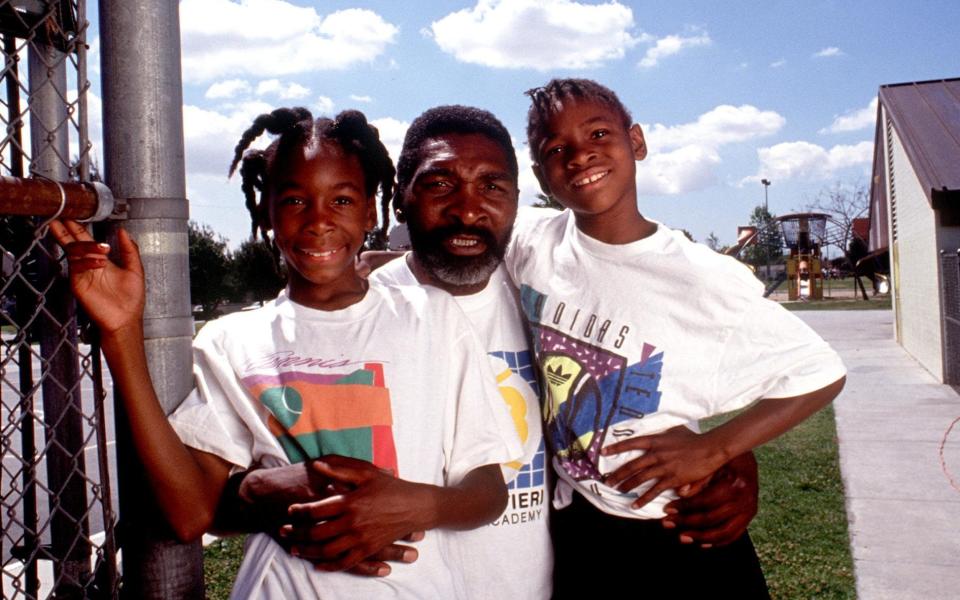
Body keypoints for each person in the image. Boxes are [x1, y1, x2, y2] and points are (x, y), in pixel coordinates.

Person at [232, 105, 765, 598]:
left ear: (516, 198)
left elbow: (669, 374)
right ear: (399, 197)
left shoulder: (549, 290)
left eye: (492, 187)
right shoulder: (363, 308)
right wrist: (256, 488)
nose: (467, 210)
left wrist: (733, 455)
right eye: (439, 184)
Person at [50, 107, 520, 599]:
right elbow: (189, 515)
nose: (318, 221)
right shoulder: (233, 341)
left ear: (370, 212)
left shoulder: (435, 317)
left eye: (341, 199)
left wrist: (414, 506)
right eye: (295, 200)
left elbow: (488, 492)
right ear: (266, 213)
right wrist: (121, 334)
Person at [509, 78, 847, 597]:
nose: (580, 156)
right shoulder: (534, 241)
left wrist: (716, 449)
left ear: (636, 142)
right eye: (556, 149)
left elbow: (820, 372)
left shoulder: (698, 277)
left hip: (674, 527)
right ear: (540, 174)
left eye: (599, 133)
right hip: (583, 522)